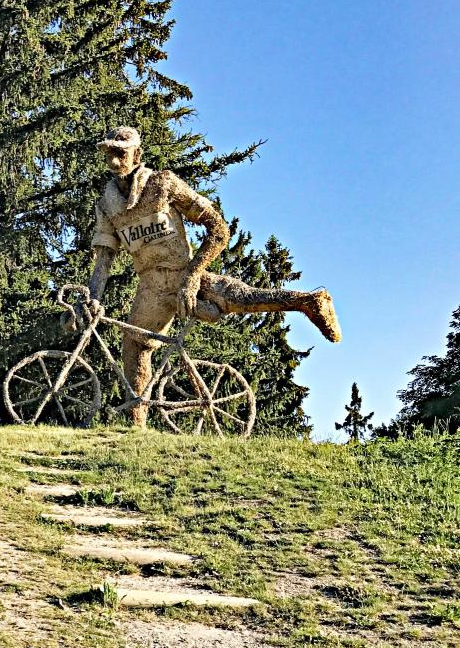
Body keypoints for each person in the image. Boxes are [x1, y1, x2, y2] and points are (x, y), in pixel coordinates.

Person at [85, 126, 340, 427]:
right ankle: (136, 427)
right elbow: (103, 260)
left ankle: (309, 301)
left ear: (137, 153)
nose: (114, 162)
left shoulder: (163, 183)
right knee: (135, 346)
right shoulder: (107, 204)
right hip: (150, 285)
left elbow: (218, 229)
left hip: (183, 271)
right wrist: (92, 301)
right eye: (109, 154)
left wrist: (192, 277)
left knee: (242, 298)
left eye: (121, 153)